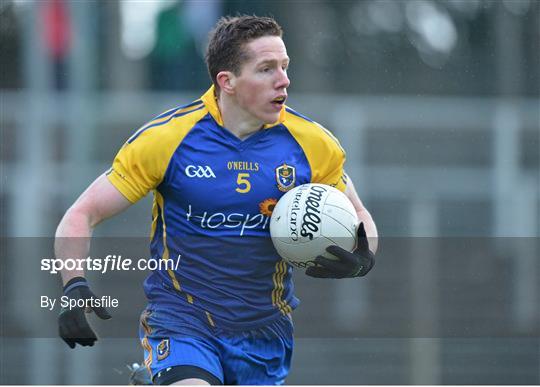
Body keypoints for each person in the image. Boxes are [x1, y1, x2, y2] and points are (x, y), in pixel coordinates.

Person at [55, 15, 378, 385]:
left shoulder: (312, 145)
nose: (284, 80)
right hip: (182, 319)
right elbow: (82, 213)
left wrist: (363, 257)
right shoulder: (168, 139)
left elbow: (359, 214)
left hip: (264, 330)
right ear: (227, 81)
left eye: (285, 67)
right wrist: (73, 286)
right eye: (267, 68)